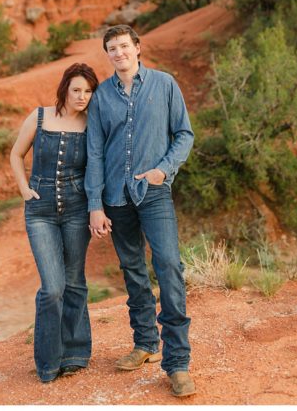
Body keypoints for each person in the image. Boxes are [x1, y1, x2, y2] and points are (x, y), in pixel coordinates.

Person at [85, 25, 196, 398]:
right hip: (116, 198)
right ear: (108, 55)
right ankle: (146, 343)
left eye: (123, 46)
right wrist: (95, 205)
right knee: (133, 271)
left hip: (153, 191)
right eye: (111, 49)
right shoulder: (101, 96)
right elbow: (96, 152)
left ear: (137, 48)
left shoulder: (164, 85)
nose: (118, 53)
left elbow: (184, 134)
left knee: (168, 266)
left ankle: (177, 363)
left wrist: (164, 169)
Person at [10, 62, 100, 383]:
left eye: (88, 91)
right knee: (52, 288)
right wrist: (24, 188)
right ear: (65, 88)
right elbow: (16, 154)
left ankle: (75, 352)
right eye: (76, 89)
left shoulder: (92, 125)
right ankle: (48, 361)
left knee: (74, 282)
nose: (82, 96)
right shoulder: (38, 116)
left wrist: (96, 208)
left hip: (78, 208)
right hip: (40, 211)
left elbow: (97, 169)